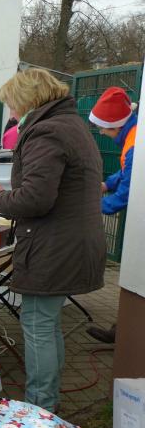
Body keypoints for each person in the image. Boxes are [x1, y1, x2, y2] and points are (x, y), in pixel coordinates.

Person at [0, 68, 106, 413]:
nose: (12, 114)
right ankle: (47, 401)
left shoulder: (47, 131)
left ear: (27, 100)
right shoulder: (71, 125)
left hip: (54, 245)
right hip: (71, 240)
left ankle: (39, 409)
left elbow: (35, 199)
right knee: (48, 323)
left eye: (12, 105)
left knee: (38, 324)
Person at [85, 86, 138, 344]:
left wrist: (96, 207)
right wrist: (107, 184)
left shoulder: (135, 143)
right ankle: (123, 329)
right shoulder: (133, 136)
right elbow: (127, 172)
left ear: (116, 125)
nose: (102, 133)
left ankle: (126, 334)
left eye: (103, 128)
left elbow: (130, 188)